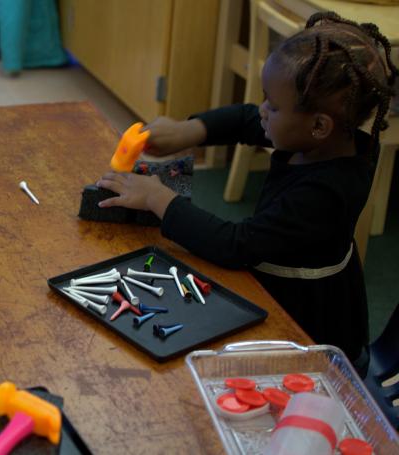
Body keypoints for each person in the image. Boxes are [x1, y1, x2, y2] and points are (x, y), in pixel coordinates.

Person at [96, 12, 397, 369]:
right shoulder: (325, 138)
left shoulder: (325, 192)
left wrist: (159, 198)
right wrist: (191, 130)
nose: (263, 112)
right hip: (282, 279)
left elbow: (236, 244)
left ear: (318, 124)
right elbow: (245, 118)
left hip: (308, 327)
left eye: (272, 104)